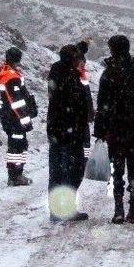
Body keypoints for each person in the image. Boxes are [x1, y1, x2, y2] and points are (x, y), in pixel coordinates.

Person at [94, 32, 134, 224]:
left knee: (117, 168)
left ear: (112, 50)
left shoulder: (109, 73)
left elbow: (102, 104)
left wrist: (100, 130)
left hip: (116, 128)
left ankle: (118, 209)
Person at [47, 44, 90, 222]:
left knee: (58, 171)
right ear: (72, 59)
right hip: (69, 132)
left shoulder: (57, 71)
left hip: (58, 130)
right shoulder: (69, 76)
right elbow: (75, 104)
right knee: (72, 171)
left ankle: (57, 210)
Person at [0, 47, 38, 186]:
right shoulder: (11, 77)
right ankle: (16, 176)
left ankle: (14, 175)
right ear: (18, 59)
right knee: (18, 146)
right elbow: (16, 102)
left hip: (7, 117)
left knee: (14, 145)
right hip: (14, 119)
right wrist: (26, 120)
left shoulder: (3, 71)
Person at [76, 40, 95, 163]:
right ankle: (83, 162)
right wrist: (89, 112)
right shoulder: (77, 76)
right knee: (84, 139)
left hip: (78, 114)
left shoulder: (80, 74)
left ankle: (81, 161)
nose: (84, 64)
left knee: (83, 139)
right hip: (79, 114)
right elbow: (85, 96)